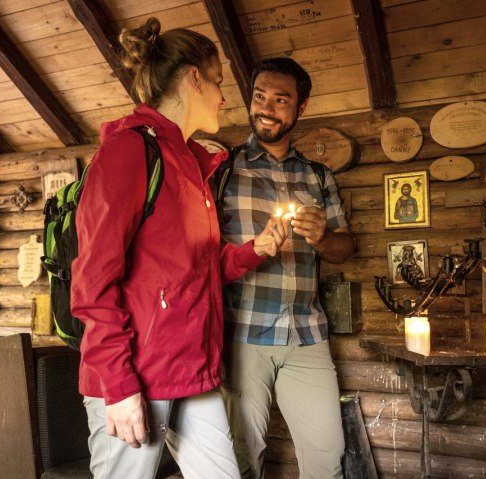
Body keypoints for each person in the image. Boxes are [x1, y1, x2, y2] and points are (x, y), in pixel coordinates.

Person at [70, 18, 287, 479]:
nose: (225, 97)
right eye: (219, 83)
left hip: (192, 370)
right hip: (137, 377)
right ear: (193, 78)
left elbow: (198, 268)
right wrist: (119, 385)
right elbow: (91, 283)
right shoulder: (128, 153)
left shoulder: (191, 165)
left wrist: (257, 249)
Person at [217, 58, 354, 478]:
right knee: (241, 459)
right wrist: (252, 249)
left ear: (301, 107)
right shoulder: (222, 171)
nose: (266, 108)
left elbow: (345, 249)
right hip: (241, 335)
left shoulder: (318, 176)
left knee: (327, 456)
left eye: (280, 100)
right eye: (260, 96)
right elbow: (200, 258)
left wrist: (322, 238)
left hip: (306, 334)